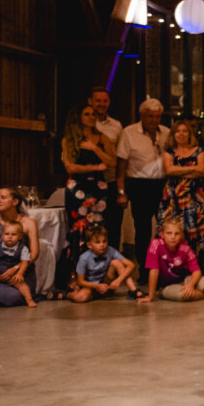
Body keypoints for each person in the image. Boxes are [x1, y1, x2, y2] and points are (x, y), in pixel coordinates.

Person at [60, 104, 116, 289]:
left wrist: (95, 149)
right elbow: (70, 167)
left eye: (93, 114)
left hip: (98, 187)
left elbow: (111, 161)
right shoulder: (69, 139)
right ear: (78, 117)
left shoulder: (102, 138)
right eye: (87, 114)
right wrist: (95, 167)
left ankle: (99, 274)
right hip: (78, 189)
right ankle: (75, 275)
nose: (92, 117)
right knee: (78, 230)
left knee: (98, 227)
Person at [115, 98, 170, 279]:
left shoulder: (167, 133)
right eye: (150, 117)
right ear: (142, 116)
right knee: (143, 229)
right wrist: (121, 192)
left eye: (157, 117)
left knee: (165, 228)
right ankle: (145, 271)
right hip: (138, 184)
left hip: (161, 184)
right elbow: (121, 165)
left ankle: (165, 268)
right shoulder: (129, 133)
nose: (154, 120)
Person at [158, 117, 204, 260]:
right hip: (173, 197)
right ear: (173, 135)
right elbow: (168, 170)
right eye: (178, 131)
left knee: (195, 229)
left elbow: (203, 170)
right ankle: (173, 265)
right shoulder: (169, 152)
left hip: (195, 196)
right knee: (173, 230)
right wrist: (193, 168)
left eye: (185, 131)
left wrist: (178, 169)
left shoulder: (199, 151)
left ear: (190, 133)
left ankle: (195, 266)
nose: (181, 134)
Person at [0, 187, 40, 306]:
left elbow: (34, 254)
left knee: (12, 295)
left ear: (15, 202)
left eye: (3, 198)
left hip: (20, 274)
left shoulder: (29, 223)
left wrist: (16, 269)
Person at [138, 216, 204, 303]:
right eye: (169, 233)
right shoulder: (155, 245)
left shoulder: (185, 248)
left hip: (184, 280)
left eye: (177, 234)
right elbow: (154, 271)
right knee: (184, 295)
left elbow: (197, 271)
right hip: (166, 286)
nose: (173, 237)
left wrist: (190, 285)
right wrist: (150, 296)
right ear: (162, 234)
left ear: (181, 235)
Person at [89, 87, 124, 250]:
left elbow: (120, 158)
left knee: (112, 226)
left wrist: (120, 189)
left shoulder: (116, 126)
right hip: (87, 182)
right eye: (98, 100)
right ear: (90, 102)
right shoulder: (84, 122)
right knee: (89, 225)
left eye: (105, 101)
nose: (101, 104)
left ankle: (112, 266)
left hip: (109, 181)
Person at [68, 224, 139, 302]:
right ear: (89, 245)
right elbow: (80, 281)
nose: (102, 245)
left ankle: (133, 291)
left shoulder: (110, 250)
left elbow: (131, 265)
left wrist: (118, 280)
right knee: (80, 298)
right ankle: (67, 294)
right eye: (97, 242)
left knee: (116, 262)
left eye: (104, 241)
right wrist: (97, 286)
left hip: (106, 283)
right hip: (91, 285)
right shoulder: (84, 258)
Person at [0, 221, 36, 307]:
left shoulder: (23, 249)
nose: (10, 237)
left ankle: (29, 300)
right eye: (7, 234)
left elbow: (25, 262)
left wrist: (19, 274)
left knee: (21, 285)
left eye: (13, 234)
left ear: (20, 237)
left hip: (13, 276)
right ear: (2, 236)